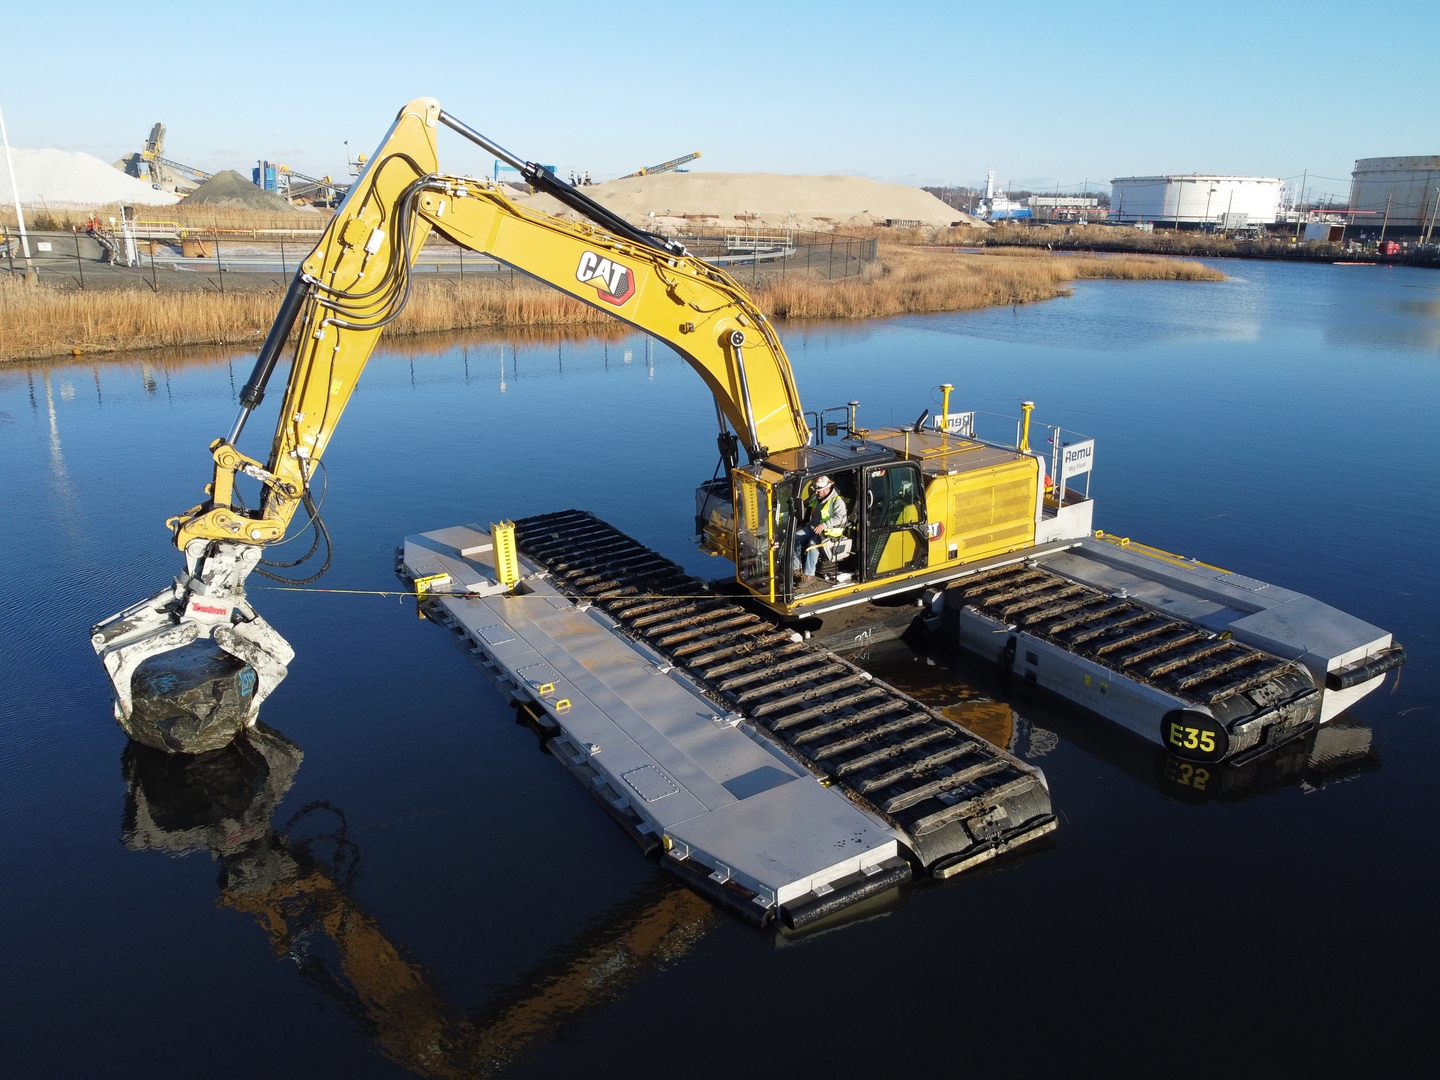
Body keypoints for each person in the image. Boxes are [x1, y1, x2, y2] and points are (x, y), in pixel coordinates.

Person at [793, 475, 847, 583]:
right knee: (795, 538)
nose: (816, 493)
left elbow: (839, 518)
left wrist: (824, 525)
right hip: (813, 526)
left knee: (813, 544)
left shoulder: (837, 501)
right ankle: (795, 568)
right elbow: (808, 506)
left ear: (827, 489)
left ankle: (809, 575)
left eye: (819, 491)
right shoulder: (816, 497)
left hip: (829, 532)